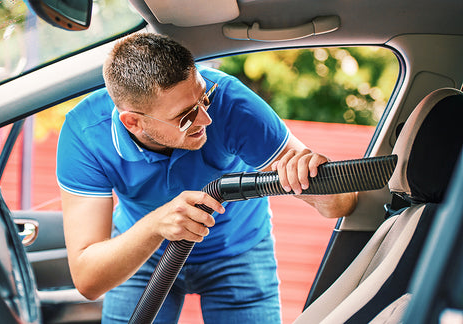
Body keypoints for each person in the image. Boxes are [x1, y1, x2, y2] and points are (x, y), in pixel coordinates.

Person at [56, 32, 357, 324]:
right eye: (185, 117)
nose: (206, 119)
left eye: (205, 97)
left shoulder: (231, 101)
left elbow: (338, 207)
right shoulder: (84, 133)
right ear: (133, 122)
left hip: (238, 247)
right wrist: (157, 224)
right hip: (144, 253)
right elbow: (88, 281)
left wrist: (319, 178)